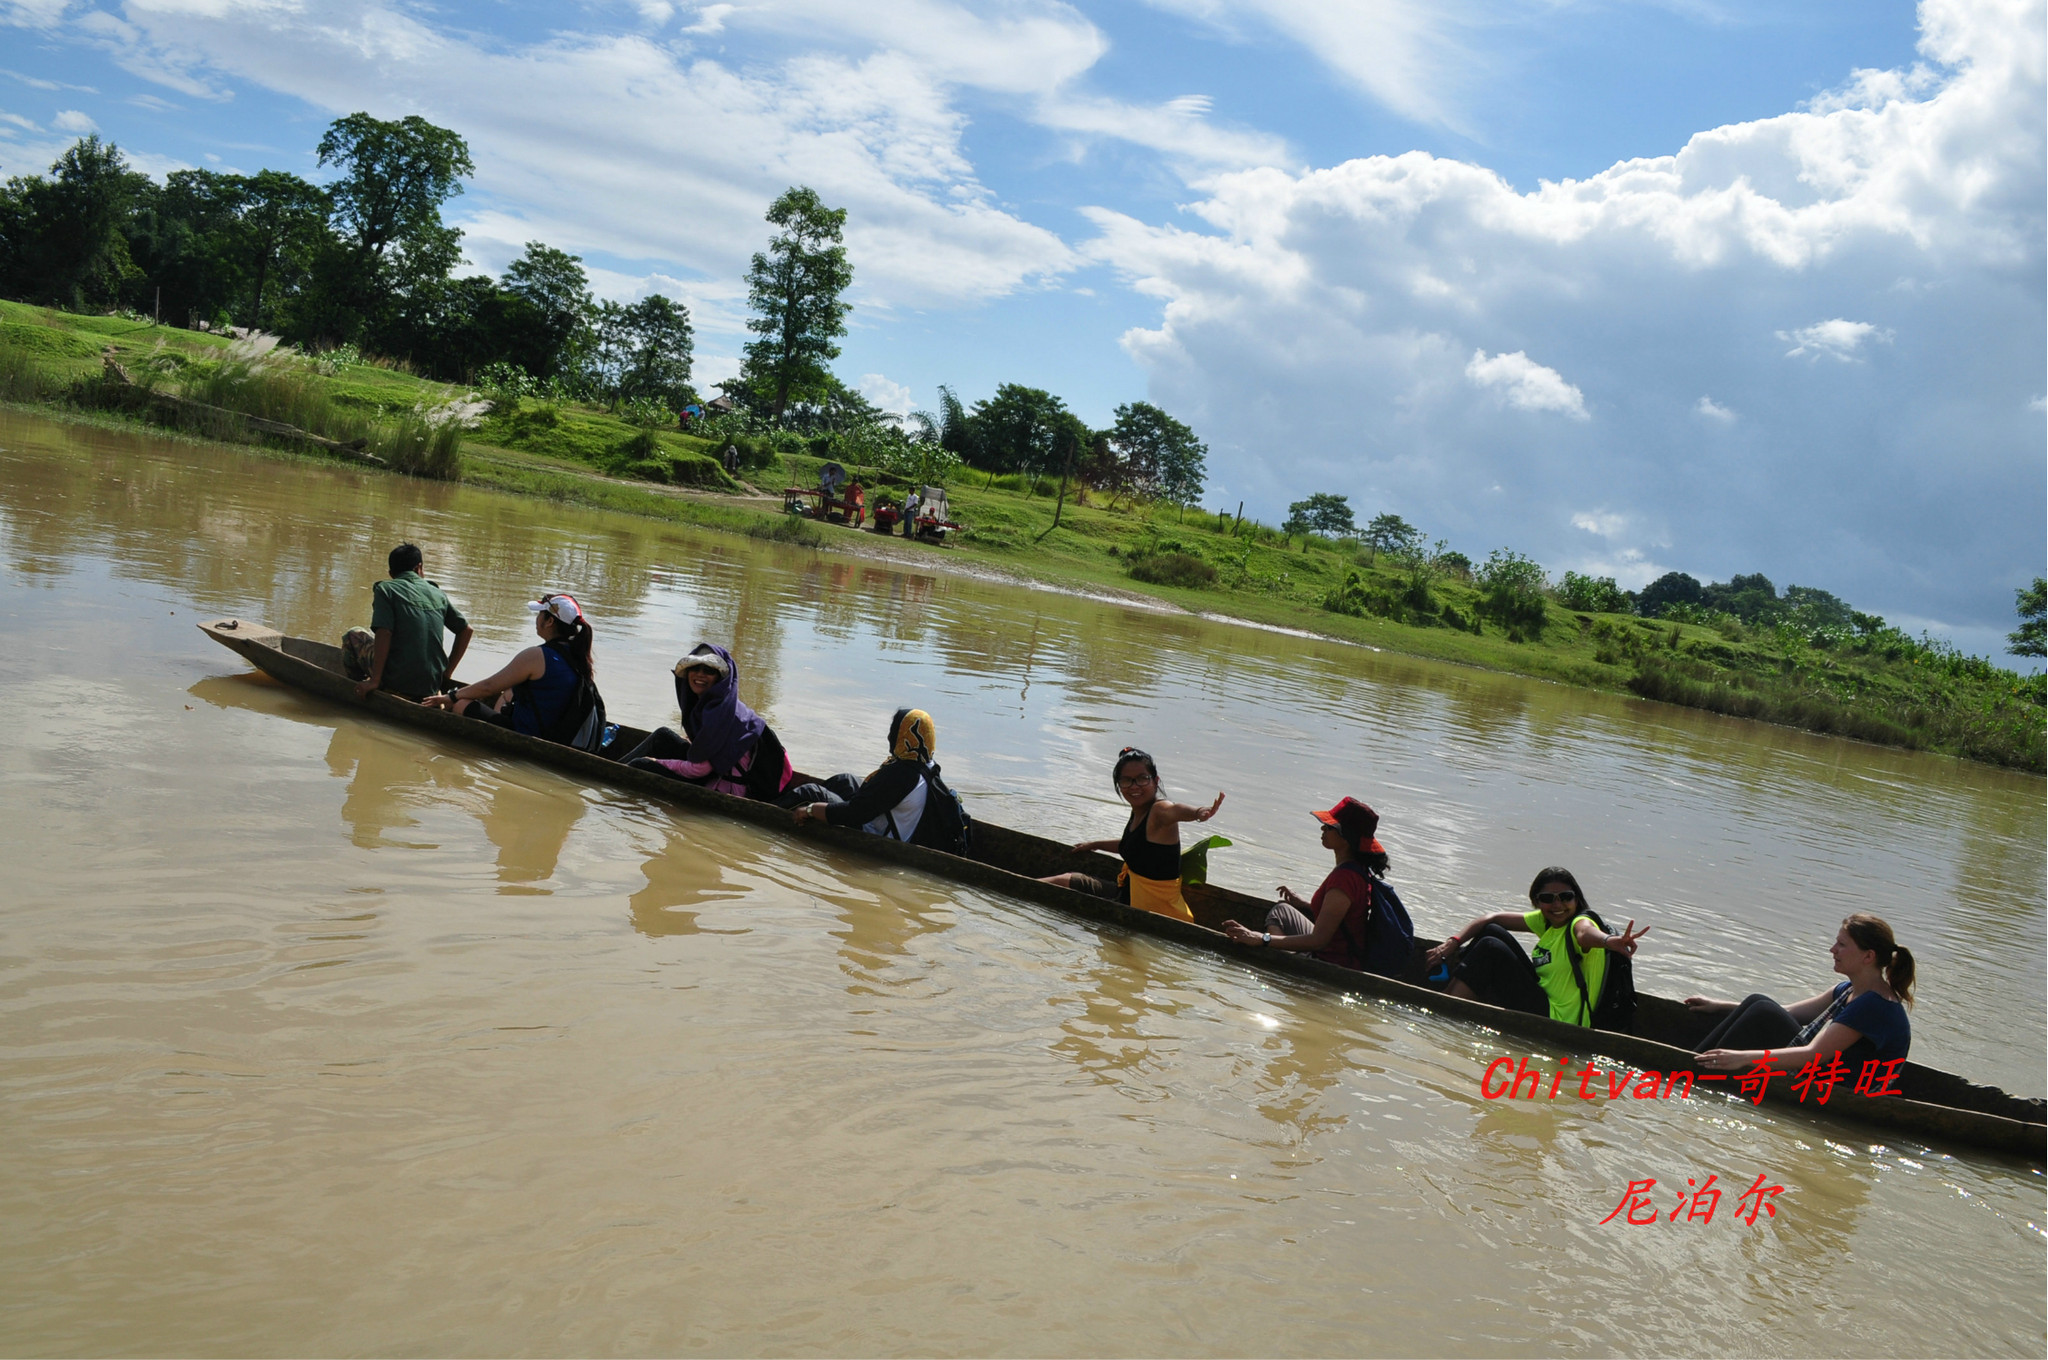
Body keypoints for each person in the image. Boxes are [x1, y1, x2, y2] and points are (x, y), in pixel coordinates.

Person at [1421, 868, 1649, 1025]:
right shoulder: (1547, 921)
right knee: (1491, 931)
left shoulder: (1579, 922)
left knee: (1490, 947)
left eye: (1565, 897)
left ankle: (1444, 1012)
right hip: (1543, 999)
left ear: (1576, 900)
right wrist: (1453, 943)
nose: (1557, 904)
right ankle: (1449, 997)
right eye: (1548, 898)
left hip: (1559, 1019)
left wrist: (1609, 941)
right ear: (1537, 902)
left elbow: (1586, 934)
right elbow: (1491, 917)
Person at [1693, 913, 1914, 1074]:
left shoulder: (1873, 1005)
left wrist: (1742, 1058)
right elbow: (1788, 1012)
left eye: (1842, 944)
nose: (1832, 949)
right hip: (1825, 1068)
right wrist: (1719, 1005)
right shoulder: (1847, 990)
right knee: (1758, 1002)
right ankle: (1696, 1059)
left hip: (1835, 1084)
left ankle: (1693, 1067)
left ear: (1868, 957)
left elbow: (1813, 1056)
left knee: (1762, 1010)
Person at [1219, 797, 1413, 976]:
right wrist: (1304, 904)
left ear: (1345, 837)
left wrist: (1261, 938)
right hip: (1345, 955)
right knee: (1282, 910)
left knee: (1275, 923)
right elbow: (1344, 918)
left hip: (1333, 963)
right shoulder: (1357, 871)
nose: (1323, 830)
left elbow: (1319, 941)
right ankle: (1286, 957)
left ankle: (1281, 970)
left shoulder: (1344, 879)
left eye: (1328, 827)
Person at [1037, 748, 1224, 922]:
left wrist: (1199, 812)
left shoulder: (1159, 810)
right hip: (1128, 894)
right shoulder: (1139, 810)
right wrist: (1095, 844)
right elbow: (1134, 846)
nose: (1135, 787)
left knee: (1061, 883)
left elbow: (1175, 810)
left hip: (1153, 911)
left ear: (1155, 781)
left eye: (1142, 778)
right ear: (1119, 785)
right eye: (1127, 780)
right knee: (1065, 880)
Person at [422, 592, 605, 749]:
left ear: (549, 621)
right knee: (507, 693)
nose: (536, 619)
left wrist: (451, 697)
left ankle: (459, 751)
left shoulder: (537, 655)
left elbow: (488, 687)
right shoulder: (577, 656)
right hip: (557, 734)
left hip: (531, 736)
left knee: (462, 704)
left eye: (540, 614)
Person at [618, 643, 794, 800]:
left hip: (730, 788)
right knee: (662, 736)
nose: (700, 675)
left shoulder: (719, 713)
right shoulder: (718, 705)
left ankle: (612, 777)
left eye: (709, 671)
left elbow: (699, 770)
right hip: (716, 769)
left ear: (719, 678)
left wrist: (657, 762)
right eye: (695, 668)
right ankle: (616, 767)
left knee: (639, 765)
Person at [787, 708, 963, 852]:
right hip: (883, 821)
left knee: (810, 792)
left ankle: (770, 814)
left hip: (879, 838)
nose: (889, 737)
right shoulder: (927, 764)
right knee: (845, 780)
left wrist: (810, 810)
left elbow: (852, 814)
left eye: (893, 732)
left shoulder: (902, 774)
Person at [351, 542, 472, 700]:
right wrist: (446, 674)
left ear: (391, 573)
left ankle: (359, 688)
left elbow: (384, 632)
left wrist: (375, 680)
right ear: (419, 568)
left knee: (353, 635)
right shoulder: (437, 593)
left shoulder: (386, 589)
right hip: (432, 683)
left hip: (396, 680)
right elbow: (466, 630)